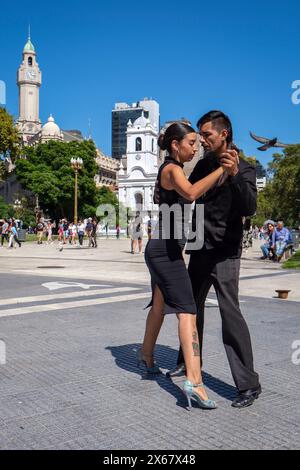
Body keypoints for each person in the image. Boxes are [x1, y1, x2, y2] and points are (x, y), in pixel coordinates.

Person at [167, 111, 261, 409]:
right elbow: (187, 195)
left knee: (229, 314)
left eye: (207, 135)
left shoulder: (244, 169)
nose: (202, 140)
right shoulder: (205, 164)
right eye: (200, 135)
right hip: (199, 249)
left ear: (224, 134)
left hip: (225, 252)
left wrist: (233, 177)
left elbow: (249, 207)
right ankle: (187, 363)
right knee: (190, 310)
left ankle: (248, 384)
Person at [138, 122, 229, 411]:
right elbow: (190, 193)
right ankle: (195, 381)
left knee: (159, 305)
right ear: (175, 145)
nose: (196, 146)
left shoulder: (172, 167)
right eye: (191, 142)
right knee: (188, 312)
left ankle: (146, 355)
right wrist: (222, 169)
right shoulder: (171, 169)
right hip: (165, 252)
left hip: (161, 249)